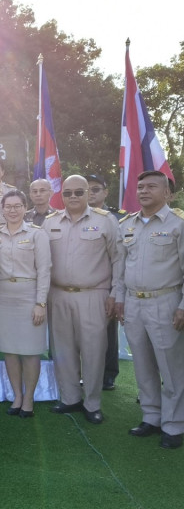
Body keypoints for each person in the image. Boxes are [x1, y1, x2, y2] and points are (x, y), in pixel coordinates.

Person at [42, 175, 120, 424]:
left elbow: (118, 259)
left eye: (79, 192)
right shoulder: (50, 222)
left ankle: (92, 403)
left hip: (94, 294)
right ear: (61, 195)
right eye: (68, 193)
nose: (73, 197)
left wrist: (115, 293)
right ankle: (70, 398)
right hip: (58, 294)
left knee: (94, 350)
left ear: (88, 193)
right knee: (62, 349)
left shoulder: (105, 221)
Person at [115, 170, 184, 449]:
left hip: (165, 301)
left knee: (171, 366)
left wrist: (183, 306)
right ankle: (151, 416)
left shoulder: (178, 224)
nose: (144, 191)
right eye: (141, 187)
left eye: (151, 187)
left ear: (167, 193)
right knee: (142, 364)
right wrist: (119, 298)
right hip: (134, 303)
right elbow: (121, 268)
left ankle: (174, 424)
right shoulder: (127, 225)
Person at [0, 190, 51, 417]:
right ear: (2, 209)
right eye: (8, 206)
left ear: (25, 208)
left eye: (17, 206)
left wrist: (40, 303)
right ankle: (17, 396)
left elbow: (44, 270)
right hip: (3, 297)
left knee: (30, 351)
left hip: (29, 296)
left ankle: (29, 399)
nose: (12, 210)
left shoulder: (37, 234)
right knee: (9, 350)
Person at [85, 173, 126, 391]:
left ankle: (108, 374)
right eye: (87, 189)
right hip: (84, 283)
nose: (90, 193)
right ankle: (87, 373)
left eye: (95, 189)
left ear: (106, 192)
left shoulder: (118, 218)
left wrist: (116, 289)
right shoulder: (78, 216)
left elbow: (120, 256)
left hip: (108, 283)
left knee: (107, 332)